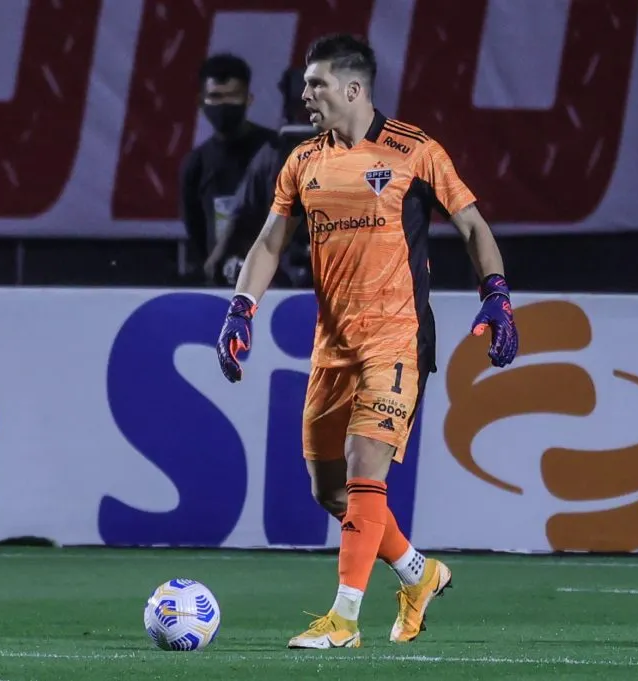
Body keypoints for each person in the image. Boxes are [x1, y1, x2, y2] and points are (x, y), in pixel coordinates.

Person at [214, 34, 519, 649]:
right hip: (333, 345)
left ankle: (344, 620)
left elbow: (471, 224)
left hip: (398, 338)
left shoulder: (414, 151)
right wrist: (242, 309)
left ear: (353, 89)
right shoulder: (302, 162)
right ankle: (419, 572)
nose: (305, 94)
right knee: (329, 489)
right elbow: (271, 242)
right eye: (305, 84)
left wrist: (497, 293)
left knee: (363, 468)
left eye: (316, 84)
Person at [204, 67, 318, 287]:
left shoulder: (358, 153)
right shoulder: (273, 154)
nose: (307, 112)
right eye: (300, 104)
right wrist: (218, 259)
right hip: (283, 277)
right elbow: (241, 214)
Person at [179, 54, 277, 285]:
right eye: (215, 96)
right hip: (221, 286)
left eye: (233, 96)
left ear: (248, 99)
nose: (223, 105)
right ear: (200, 101)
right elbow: (196, 231)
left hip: (274, 283)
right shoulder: (196, 164)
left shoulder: (274, 149)